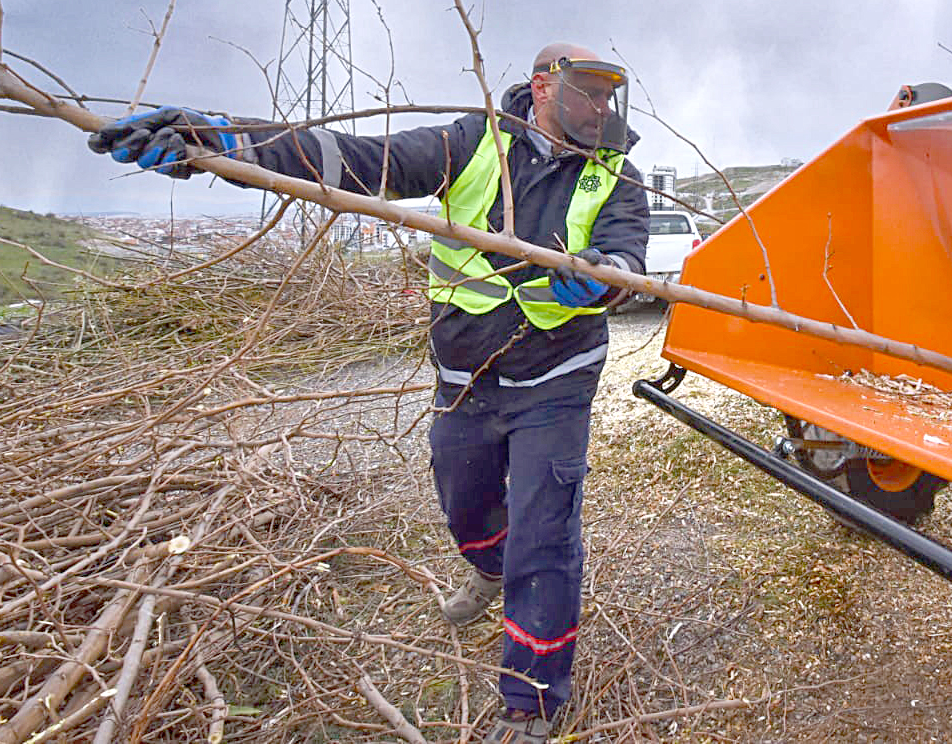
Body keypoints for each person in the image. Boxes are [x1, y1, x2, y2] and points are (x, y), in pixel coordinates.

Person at [87, 42, 649, 744]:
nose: (602, 108)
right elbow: (356, 159)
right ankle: (486, 567)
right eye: (589, 92)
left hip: (556, 379)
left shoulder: (618, 174)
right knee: (463, 497)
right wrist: (223, 142)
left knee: (546, 533)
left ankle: (530, 701)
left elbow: (630, 259)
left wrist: (605, 275)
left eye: (609, 96)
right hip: (464, 372)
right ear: (541, 87)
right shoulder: (473, 142)